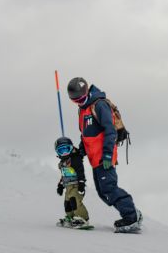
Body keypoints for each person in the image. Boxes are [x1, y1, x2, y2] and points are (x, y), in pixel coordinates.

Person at [67, 77, 142, 233]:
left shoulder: (99, 105)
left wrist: (108, 155)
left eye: (81, 98)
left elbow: (110, 131)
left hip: (104, 156)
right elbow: (85, 135)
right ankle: (132, 213)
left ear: (86, 91)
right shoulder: (83, 109)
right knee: (103, 192)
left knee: (109, 188)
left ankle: (131, 216)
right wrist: (80, 151)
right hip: (94, 157)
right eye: (75, 101)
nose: (79, 102)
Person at [54, 137, 90, 228]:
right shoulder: (63, 163)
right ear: (58, 152)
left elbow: (80, 172)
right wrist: (60, 185)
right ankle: (71, 217)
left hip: (76, 186)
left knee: (75, 201)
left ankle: (83, 218)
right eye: (61, 151)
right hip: (68, 187)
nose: (65, 153)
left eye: (66, 149)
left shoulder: (75, 159)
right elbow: (64, 175)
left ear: (71, 148)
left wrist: (81, 183)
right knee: (67, 204)